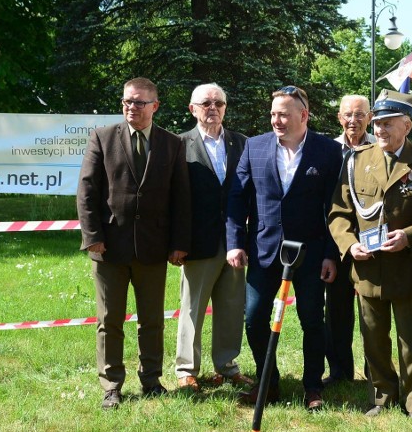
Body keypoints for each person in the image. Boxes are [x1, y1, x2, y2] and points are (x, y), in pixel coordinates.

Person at [328, 90, 412, 419]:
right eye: (377, 123)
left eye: (387, 124)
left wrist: (409, 237)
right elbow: (339, 213)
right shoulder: (356, 160)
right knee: (373, 339)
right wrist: (350, 245)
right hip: (368, 268)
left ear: (407, 125)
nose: (379, 130)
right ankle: (381, 397)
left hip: (408, 266)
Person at [77, 77, 191, 410]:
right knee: (109, 320)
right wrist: (93, 237)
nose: (132, 108)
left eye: (139, 103)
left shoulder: (172, 144)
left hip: (154, 248)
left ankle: (152, 381)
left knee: (152, 320)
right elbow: (87, 191)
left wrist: (179, 243)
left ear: (155, 106)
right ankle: (111, 385)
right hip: (109, 247)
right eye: (127, 101)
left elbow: (181, 198)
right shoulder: (102, 137)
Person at [226, 85, 342, 411]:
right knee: (254, 317)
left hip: (311, 252)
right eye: (274, 114)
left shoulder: (327, 151)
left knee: (311, 320)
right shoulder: (255, 147)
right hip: (264, 250)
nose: (277, 120)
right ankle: (269, 383)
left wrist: (331, 253)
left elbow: (335, 207)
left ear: (303, 116)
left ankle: (313, 387)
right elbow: (238, 198)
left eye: (284, 115)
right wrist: (235, 243)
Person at [174, 83, 252, 392]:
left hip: (235, 242)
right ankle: (186, 370)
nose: (213, 108)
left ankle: (227, 367)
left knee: (232, 307)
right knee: (192, 307)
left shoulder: (242, 144)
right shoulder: (179, 145)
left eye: (218, 102)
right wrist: (176, 242)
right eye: (205, 103)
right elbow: (174, 200)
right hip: (197, 242)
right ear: (192, 109)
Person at [324, 94, 375, 386]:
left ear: (369, 117)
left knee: (372, 312)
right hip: (338, 244)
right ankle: (340, 370)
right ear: (339, 118)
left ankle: (375, 371)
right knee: (337, 311)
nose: (353, 120)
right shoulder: (329, 151)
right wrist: (331, 250)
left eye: (359, 115)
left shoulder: (379, 147)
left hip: (372, 245)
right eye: (348, 115)